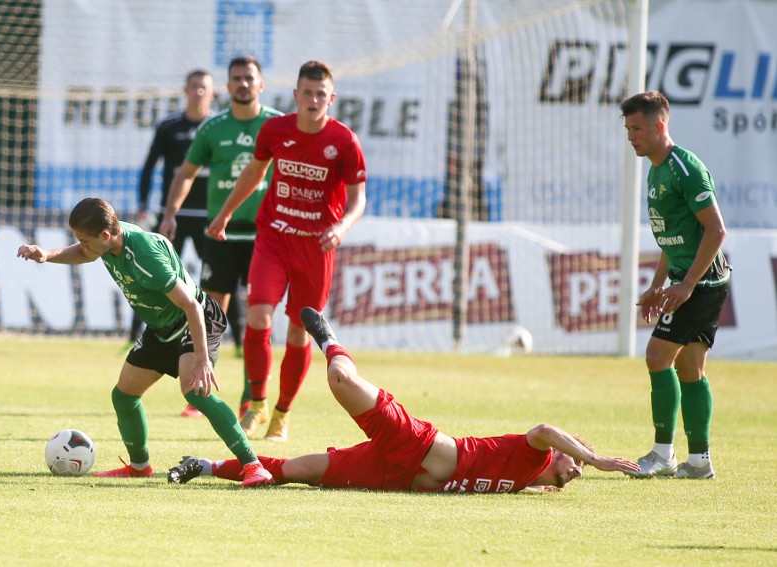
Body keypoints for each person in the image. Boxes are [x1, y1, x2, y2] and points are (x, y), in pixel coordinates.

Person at [167, 307, 640, 491]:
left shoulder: (537, 484)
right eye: (573, 458)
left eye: (578, 466)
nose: (576, 468)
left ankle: (203, 464)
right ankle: (331, 339)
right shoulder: (537, 450)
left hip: (394, 475)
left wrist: (563, 479)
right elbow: (545, 430)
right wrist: (595, 459)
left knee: (293, 472)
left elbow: (519, 483)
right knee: (339, 379)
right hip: (419, 445)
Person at [16, 197, 272, 487]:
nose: (82, 246)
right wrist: (47, 255)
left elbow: (191, 306)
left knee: (195, 392)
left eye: (84, 240)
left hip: (193, 321)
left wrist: (202, 358)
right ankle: (140, 467)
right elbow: (86, 254)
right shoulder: (107, 241)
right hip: (161, 326)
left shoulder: (146, 256)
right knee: (124, 395)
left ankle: (254, 465)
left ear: (105, 235)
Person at [206, 60, 367, 442]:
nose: (313, 100)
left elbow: (358, 199)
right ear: (296, 95)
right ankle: (257, 405)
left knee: (298, 334)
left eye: (320, 94)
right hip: (274, 238)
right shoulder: (275, 130)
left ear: (332, 98)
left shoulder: (344, 141)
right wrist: (224, 214)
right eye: (307, 93)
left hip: (316, 248)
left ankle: (281, 414)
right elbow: (254, 173)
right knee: (258, 316)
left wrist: (341, 227)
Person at [160, 55, 283, 420]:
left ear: (261, 84)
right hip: (221, 233)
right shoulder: (213, 129)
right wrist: (170, 214)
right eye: (236, 79)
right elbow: (185, 173)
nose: (243, 84)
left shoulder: (278, 126)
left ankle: (252, 399)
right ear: (226, 86)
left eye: (249, 78)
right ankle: (201, 395)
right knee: (211, 316)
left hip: (265, 237)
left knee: (259, 320)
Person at [620, 91, 731, 480]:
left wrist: (685, 285)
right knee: (690, 368)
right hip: (694, 280)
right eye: (628, 128)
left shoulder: (685, 169)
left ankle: (662, 454)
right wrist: (656, 284)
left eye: (637, 128)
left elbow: (716, 230)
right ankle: (699, 461)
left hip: (702, 282)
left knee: (656, 357)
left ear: (659, 126)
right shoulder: (656, 168)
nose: (631, 135)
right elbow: (673, 239)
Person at [132, 69, 215, 419]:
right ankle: (141, 334)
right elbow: (150, 166)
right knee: (154, 278)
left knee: (214, 288)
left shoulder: (216, 128)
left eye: (204, 87)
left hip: (208, 217)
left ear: (212, 92)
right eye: (194, 86)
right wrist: (143, 204)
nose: (198, 92)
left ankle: (213, 354)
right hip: (174, 216)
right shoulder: (169, 127)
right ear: (185, 90)